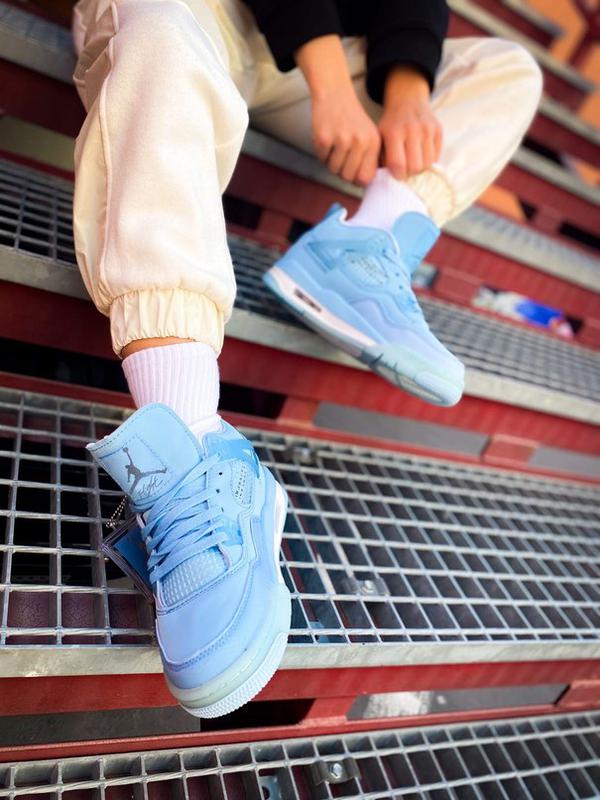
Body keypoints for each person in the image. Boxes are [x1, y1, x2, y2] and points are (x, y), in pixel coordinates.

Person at [70, 0, 542, 717]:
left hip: (327, 59)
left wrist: (407, 87)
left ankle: (363, 247)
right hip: (201, 15)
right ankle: (192, 441)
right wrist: (325, 75)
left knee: (506, 67)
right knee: (157, 28)